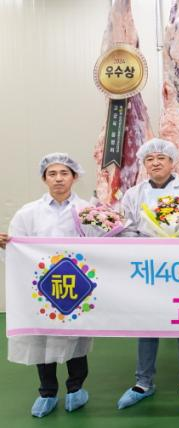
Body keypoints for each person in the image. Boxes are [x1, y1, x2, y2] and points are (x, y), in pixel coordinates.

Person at [117, 138, 179, 409]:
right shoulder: (133, 194)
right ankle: (143, 381)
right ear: (144, 164)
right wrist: (149, 247)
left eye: (161, 158)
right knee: (147, 324)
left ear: (172, 162)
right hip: (148, 268)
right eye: (150, 159)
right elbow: (126, 229)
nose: (155, 163)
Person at [5, 153, 91, 417]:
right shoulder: (28, 213)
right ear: (44, 179)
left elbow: (101, 246)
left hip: (77, 286)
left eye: (64, 173)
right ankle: (47, 391)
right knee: (42, 338)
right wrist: (7, 245)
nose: (58, 179)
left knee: (76, 337)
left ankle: (76, 388)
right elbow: (16, 250)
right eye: (52, 174)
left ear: (74, 177)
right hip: (41, 288)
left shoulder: (88, 211)